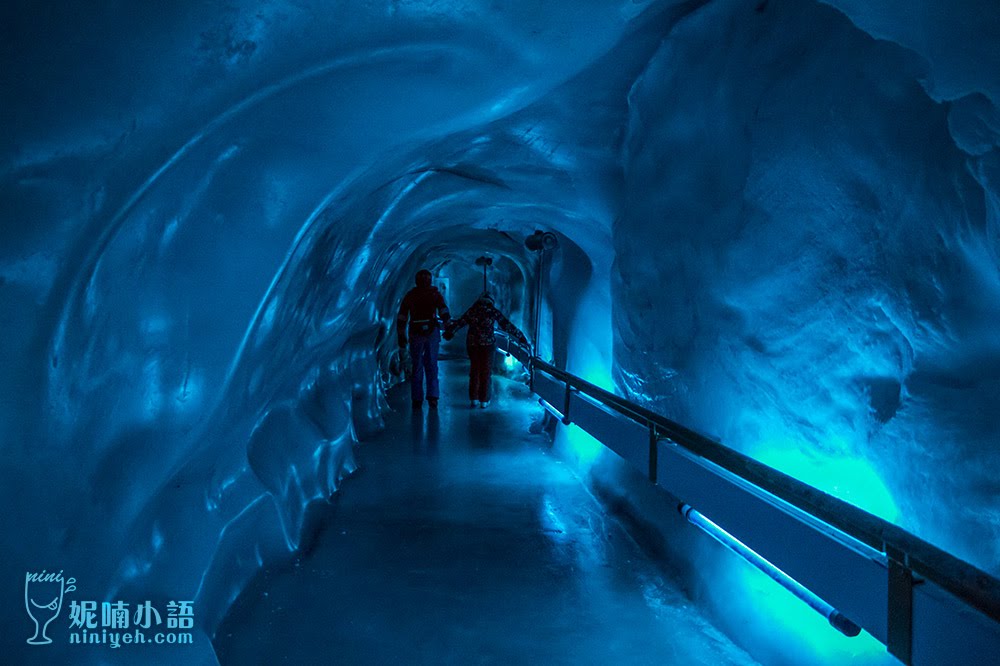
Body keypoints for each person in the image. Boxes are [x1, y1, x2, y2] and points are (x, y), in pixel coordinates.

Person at [444, 293, 528, 408]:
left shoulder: (472, 310)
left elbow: (460, 322)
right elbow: (506, 325)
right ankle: (484, 400)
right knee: (486, 372)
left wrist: (450, 332)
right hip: (487, 345)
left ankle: (473, 398)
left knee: (474, 370)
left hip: (473, 344)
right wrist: (521, 337)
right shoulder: (492, 311)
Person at [397, 269, 450, 410]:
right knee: (431, 364)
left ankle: (417, 398)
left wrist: (401, 334)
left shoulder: (411, 295)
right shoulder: (434, 294)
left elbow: (402, 316)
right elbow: (443, 310)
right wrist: (448, 326)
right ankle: (433, 397)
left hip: (415, 332)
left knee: (417, 365)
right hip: (431, 331)